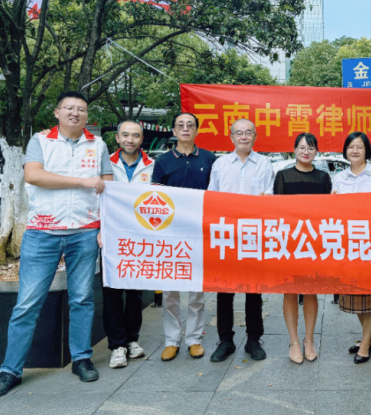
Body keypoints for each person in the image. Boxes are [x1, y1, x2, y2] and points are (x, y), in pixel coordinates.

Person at [0, 92, 113, 399]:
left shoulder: (98, 145)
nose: (75, 113)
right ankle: (10, 370)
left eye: (81, 109)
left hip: (84, 232)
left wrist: (106, 226)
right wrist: (82, 181)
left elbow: (108, 186)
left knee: (82, 298)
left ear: (87, 115)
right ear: (57, 112)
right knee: (27, 303)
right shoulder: (40, 141)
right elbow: (33, 175)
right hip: (42, 233)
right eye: (69, 108)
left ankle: (81, 358)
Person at [208, 119, 275, 363]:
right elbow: (211, 198)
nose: (243, 136)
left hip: (253, 235)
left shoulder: (265, 164)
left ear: (255, 136)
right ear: (231, 137)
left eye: (248, 133)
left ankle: (254, 339)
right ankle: (225, 340)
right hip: (226, 235)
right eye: (239, 133)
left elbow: (271, 198)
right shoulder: (220, 164)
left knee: (253, 290)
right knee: (224, 290)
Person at [152, 112, 217, 362]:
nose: (186, 128)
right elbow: (156, 198)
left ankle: (194, 339)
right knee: (170, 290)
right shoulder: (163, 161)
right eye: (181, 125)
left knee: (196, 290)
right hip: (171, 233)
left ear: (197, 130)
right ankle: (171, 340)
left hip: (200, 232)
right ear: (174, 130)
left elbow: (216, 194)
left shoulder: (210, 159)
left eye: (190, 125)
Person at [333, 132, 371, 364]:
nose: (355, 151)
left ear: (367, 150)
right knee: (355, 295)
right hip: (349, 244)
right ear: (345, 151)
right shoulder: (339, 178)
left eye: (359, 146)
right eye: (351, 147)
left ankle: (365, 345)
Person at [274, 133, 332, 364]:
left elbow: (328, 212)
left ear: (317, 151)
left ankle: (309, 340)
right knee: (289, 291)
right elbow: (277, 211)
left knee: (310, 291)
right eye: (301, 147)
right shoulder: (283, 176)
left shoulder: (323, 177)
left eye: (310, 148)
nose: (305, 152)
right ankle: (294, 341)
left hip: (314, 242)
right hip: (289, 242)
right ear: (294, 150)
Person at [102, 120, 154, 369]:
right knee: (112, 292)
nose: (130, 139)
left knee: (135, 293)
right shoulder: (105, 164)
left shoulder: (152, 165)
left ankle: (132, 340)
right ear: (117, 138)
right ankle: (117, 346)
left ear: (141, 139)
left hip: (141, 238)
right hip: (112, 235)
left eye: (135, 135)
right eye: (125, 135)